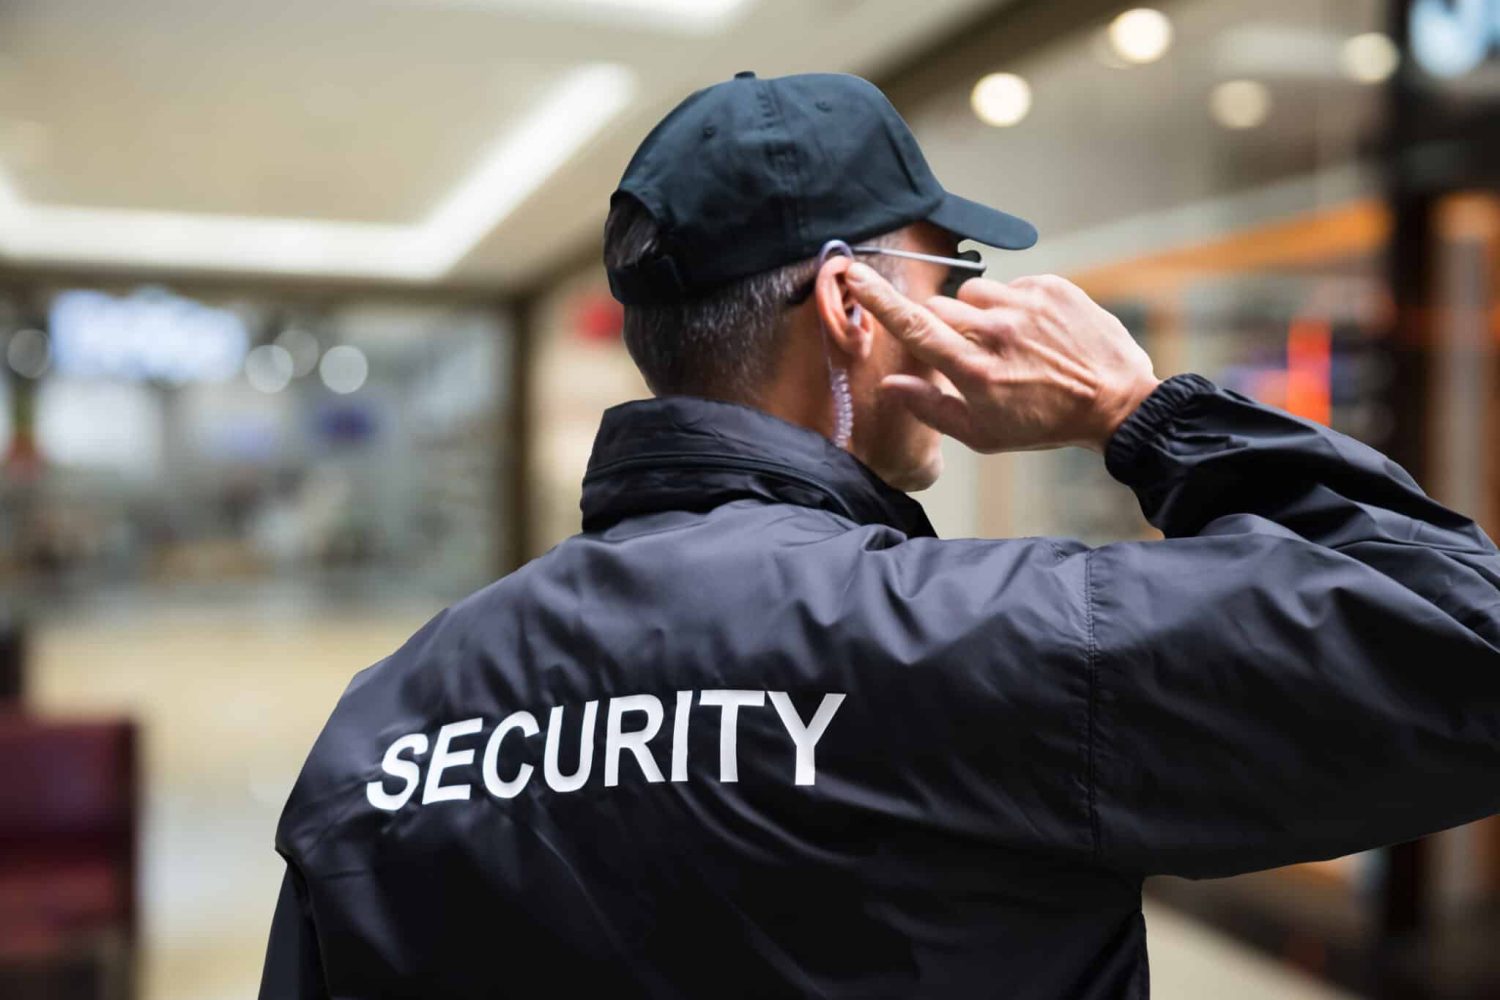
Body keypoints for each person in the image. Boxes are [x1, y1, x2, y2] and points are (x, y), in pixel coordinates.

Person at [258, 71, 1500, 999]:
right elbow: (1468, 641)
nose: (965, 297)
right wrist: (1143, 412)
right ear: (855, 304)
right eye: (944, 266)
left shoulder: (392, 718)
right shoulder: (989, 641)